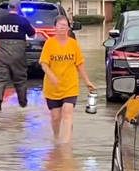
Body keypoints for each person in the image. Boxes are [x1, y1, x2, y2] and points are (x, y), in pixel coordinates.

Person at [38, 16, 96, 144]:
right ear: (55, 28)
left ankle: (66, 145)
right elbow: (43, 63)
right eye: (60, 25)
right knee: (56, 117)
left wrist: (87, 81)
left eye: (65, 25)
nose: (63, 27)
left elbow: (79, 64)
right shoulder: (49, 43)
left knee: (67, 111)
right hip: (53, 87)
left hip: (70, 85)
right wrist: (51, 75)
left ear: (68, 28)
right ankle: (57, 138)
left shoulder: (73, 44)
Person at [0, 0, 36, 111]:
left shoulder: (0, 20)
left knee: (1, 78)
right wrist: (25, 18)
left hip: (2, 52)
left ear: (8, 7)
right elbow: (32, 34)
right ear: (18, 8)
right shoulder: (23, 20)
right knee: (20, 78)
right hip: (18, 53)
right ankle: (23, 104)